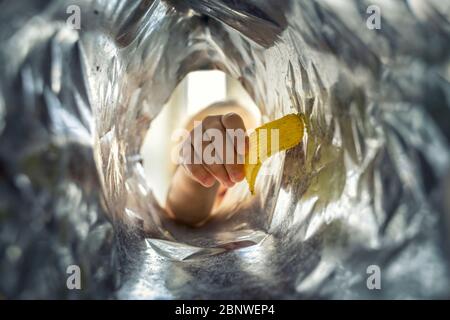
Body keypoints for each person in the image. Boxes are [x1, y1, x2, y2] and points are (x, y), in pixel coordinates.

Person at [165, 101, 257, 227]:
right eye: (214, 150)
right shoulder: (186, 195)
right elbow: (181, 212)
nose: (234, 163)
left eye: (247, 156)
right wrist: (193, 180)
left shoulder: (259, 202)